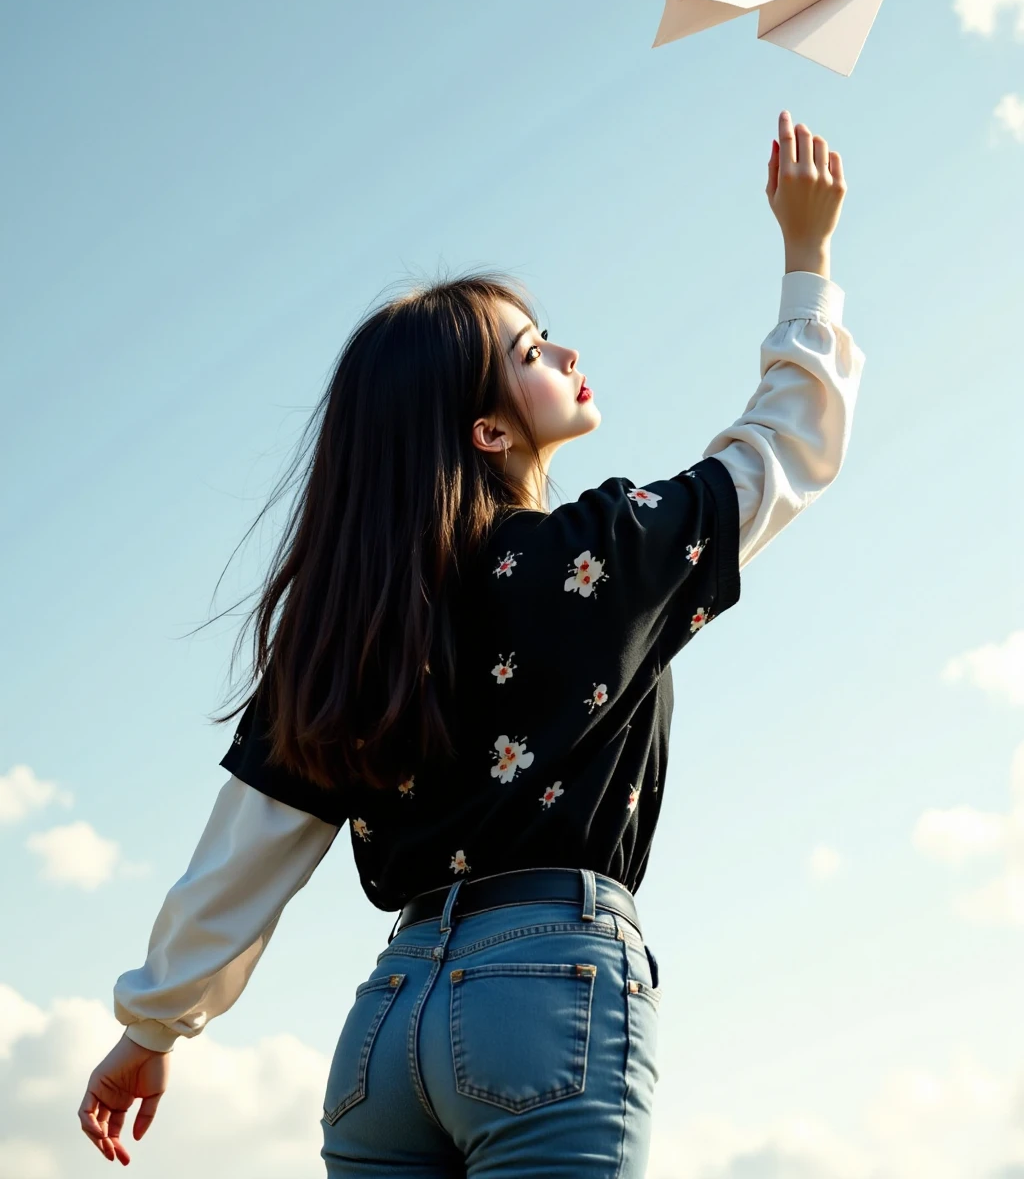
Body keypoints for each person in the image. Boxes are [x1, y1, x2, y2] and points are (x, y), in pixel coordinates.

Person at [78, 109, 864, 1174]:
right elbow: (784, 450)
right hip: (545, 997)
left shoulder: (347, 626)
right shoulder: (599, 553)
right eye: (534, 351)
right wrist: (808, 259)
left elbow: (249, 843)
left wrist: (151, 1028)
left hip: (387, 1028)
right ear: (488, 432)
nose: (568, 351)